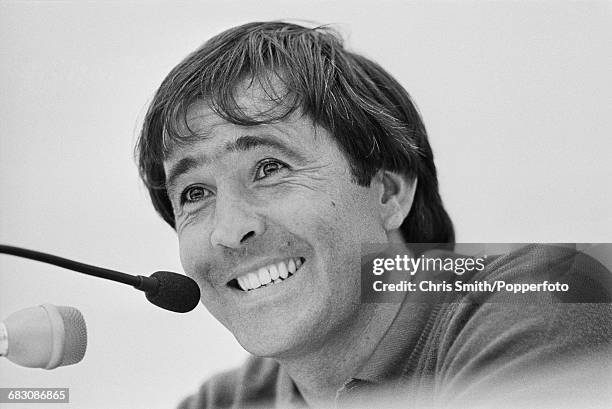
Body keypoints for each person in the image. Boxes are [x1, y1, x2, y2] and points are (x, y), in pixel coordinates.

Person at [135, 22, 612, 408]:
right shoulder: (226, 400)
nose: (230, 229)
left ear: (389, 191)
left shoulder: (554, 292)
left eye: (270, 167)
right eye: (195, 193)